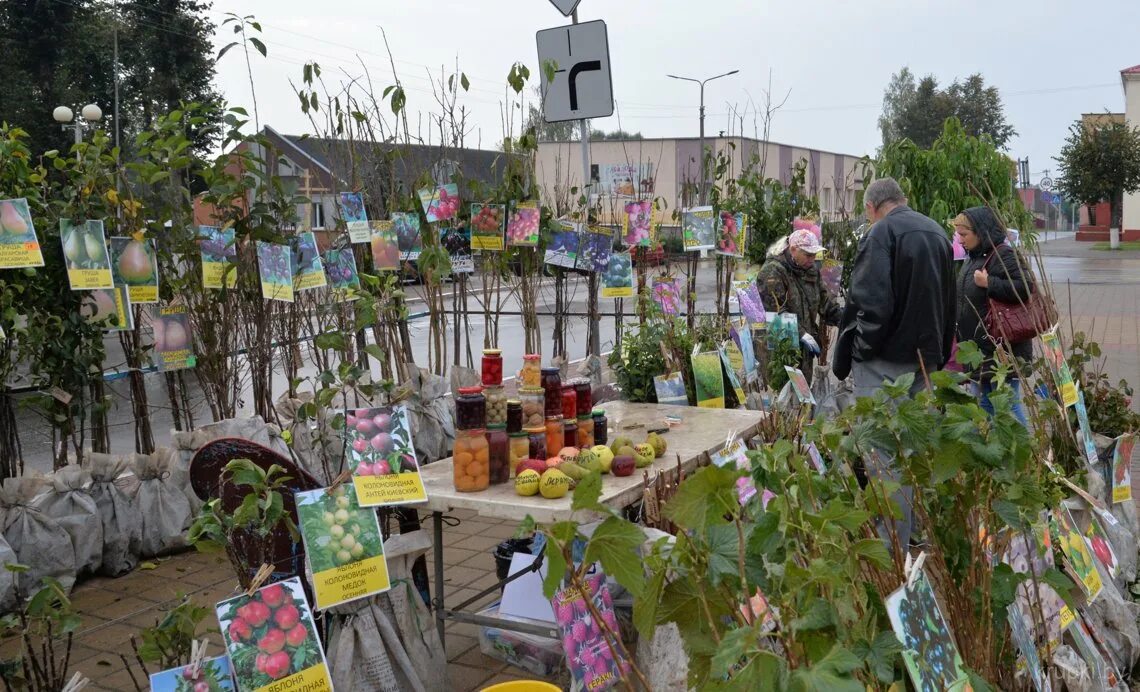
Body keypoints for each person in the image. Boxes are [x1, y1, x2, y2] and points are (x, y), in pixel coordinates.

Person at [833, 177, 956, 551]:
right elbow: (950, 297)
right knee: (912, 450)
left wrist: (862, 348)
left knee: (882, 454)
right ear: (902, 199)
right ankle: (913, 530)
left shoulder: (881, 233)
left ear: (871, 207)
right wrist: (938, 352)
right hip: (925, 358)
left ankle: (891, 547)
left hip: (886, 361)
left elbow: (871, 301)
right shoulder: (935, 230)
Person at [953, 206, 1033, 425]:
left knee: (1006, 404)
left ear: (980, 232)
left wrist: (990, 283)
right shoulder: (974, 257)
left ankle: (1026, 454)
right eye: (958, 234)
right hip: (979, 349)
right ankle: (996, 454)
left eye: (964, 234)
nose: (960, 240)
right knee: (987, 404)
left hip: (1002, 350)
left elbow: (1025, 287)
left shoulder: (1003, 254)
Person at [755, 226, 843, 383]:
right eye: (808, 255)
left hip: (805, 352)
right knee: (783, 394)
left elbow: (825, 303)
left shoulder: (810, 271)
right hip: (781, 351)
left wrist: (846, 320)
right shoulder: (772, 272)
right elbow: (777, 313)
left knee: (803, 395)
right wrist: (802, 334)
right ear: (793, 249)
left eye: (814, 255)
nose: (812, 259)